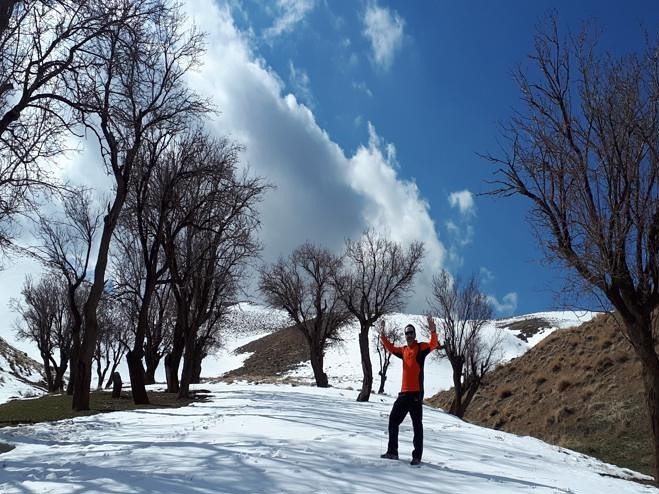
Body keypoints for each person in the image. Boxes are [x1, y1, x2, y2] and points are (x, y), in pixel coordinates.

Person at [379, 316, 440, 465]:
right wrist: (382, 335)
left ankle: (417, 457)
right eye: (407, 333)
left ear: (415, 334)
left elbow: (434, 344)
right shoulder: (404, 350)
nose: (409, 335)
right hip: (404, 394)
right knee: (393, 420)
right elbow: (391, 348)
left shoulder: (421, 348)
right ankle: (392, 452)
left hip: (416, 394)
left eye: (411, 332)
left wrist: (433, 331)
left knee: (416, 425)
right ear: (405, 335)